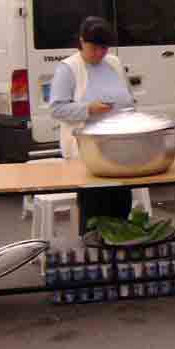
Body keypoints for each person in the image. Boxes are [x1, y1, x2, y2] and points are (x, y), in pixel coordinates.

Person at [50, 16, 134, 219]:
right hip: (86, 151)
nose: (99, 54)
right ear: (81, 42)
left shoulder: (113, 63)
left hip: (117, 146)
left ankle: (120, 242)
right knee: (94, 205)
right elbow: (56, 109)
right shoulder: (69, 68)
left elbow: (129, 99)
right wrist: (89, 109)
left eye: (104, 49)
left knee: (121, 201)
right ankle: (92, 245)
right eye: (94, 48)